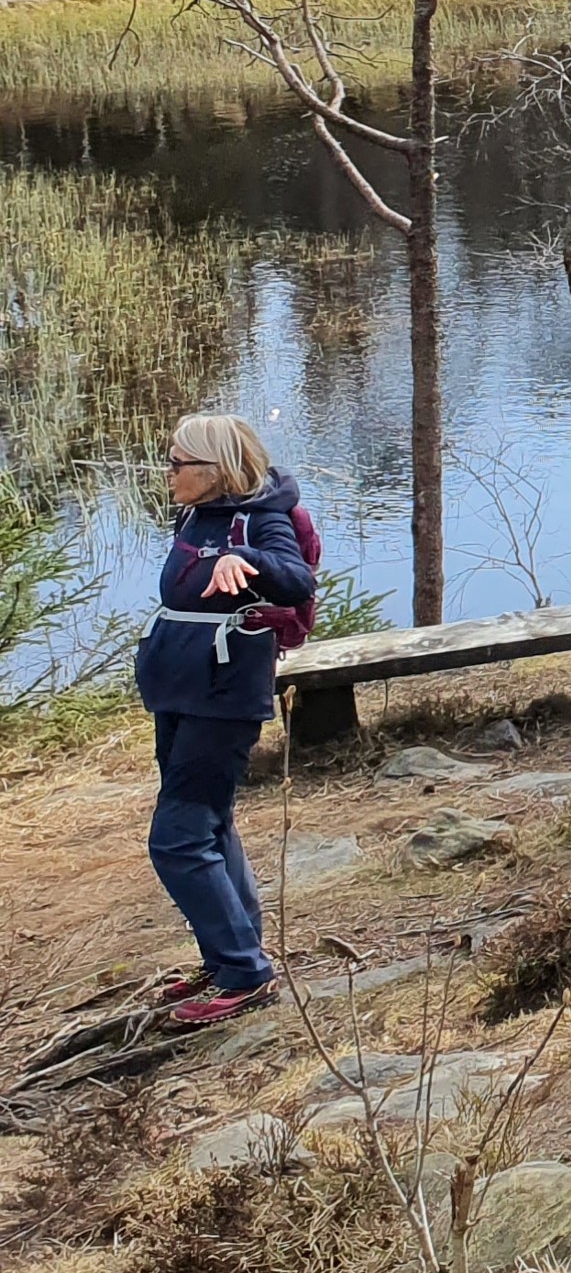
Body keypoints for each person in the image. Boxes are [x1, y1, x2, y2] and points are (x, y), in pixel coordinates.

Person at [138, 413, 316, 1029]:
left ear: (213, 470)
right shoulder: (195, 514)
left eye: (177, 463)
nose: (168, 473)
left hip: (223, 694)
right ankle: (230, 956)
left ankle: (244, 974)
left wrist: (245, 557)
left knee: (178, 838)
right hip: (180, 686)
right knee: (210, 825)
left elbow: (295, 581)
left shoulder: (260, 515)